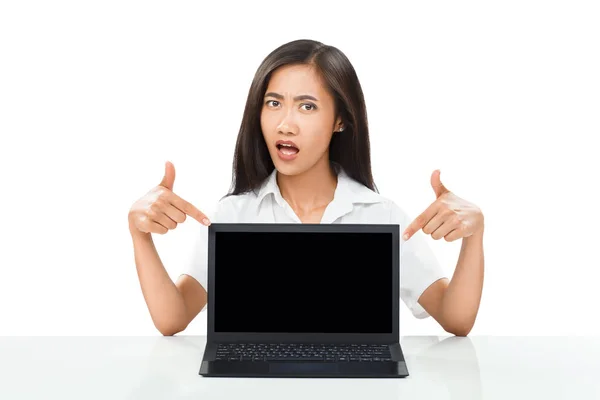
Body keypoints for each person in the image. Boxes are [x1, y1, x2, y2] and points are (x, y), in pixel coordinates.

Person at [128, 39, 485, 337]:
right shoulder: (234, 214)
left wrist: (474, 235)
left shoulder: (382, 215)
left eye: (307, 106)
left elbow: (455, 319)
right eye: (273, 103)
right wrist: (139, 233)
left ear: (341, 120)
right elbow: (172, 318)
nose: (285, 123)